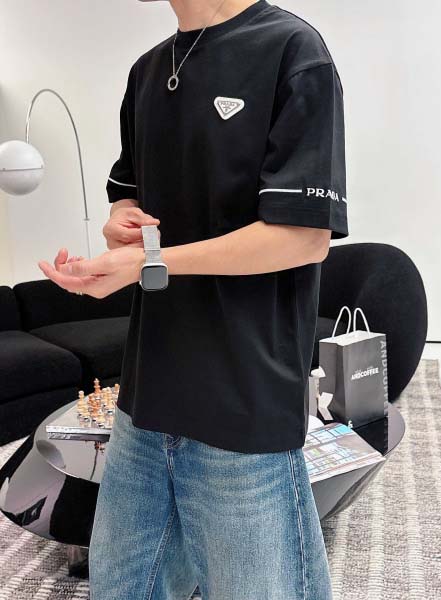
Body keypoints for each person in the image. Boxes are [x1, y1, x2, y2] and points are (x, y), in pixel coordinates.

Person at [38, 0, 348, 597]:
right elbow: (128, 193)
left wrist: (148, 263)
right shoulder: (148, 71)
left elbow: (303, 236)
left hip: (243, 404)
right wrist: (123, 223)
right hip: (145, 399)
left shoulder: (292, 51)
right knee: (121, 587)